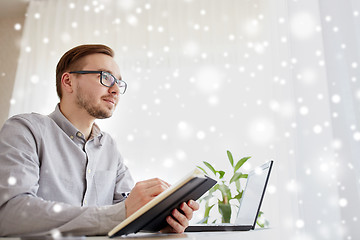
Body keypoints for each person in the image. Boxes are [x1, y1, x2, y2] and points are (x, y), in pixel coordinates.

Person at [0, 44, 199, 236]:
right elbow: (11, 213)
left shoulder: (109, 147)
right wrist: (122, 213)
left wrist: (158, 221)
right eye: (105, 77)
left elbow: (128, 212)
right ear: (68, 81)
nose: (115, 90)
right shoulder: (25, 130)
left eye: (119, 83)